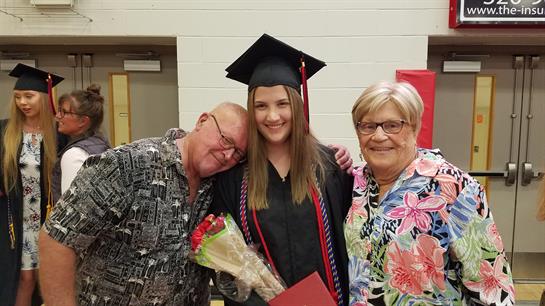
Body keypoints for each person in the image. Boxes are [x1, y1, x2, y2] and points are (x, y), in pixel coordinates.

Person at [38, 102, 248, 306]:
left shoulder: (218, 186)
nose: (228, 155)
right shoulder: (126, 165)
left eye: (237, 152)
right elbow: (56, 240)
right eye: (225, 140)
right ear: (202, 121)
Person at [210, 34, 353, 306]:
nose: (272, 116)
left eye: (282, 104)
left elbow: (349, 243)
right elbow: (226, 261)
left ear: (297, 107)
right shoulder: (232, 178)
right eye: (261, 106)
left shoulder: (329, 167)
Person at [344, 81, 515, 305]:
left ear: (414, 127)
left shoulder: (453, 187)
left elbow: (492, 286)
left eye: (392, 125)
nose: (378, 136)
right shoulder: (354, 185)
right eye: (367, 126)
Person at [0, 63, 64, 306]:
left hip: (49, 218)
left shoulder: (59, 133)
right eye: (18, 97)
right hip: (16, 218)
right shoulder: (5, 131)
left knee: (49, 280)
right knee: (24, 279)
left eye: (29, 96)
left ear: (45, 97)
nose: (23, 102)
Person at [51, 84, 110, 204]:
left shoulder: (74, 154)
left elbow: (71, 208)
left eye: (64, 112)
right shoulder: (101, 142)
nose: (57, 116)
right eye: (59, 111)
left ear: (83, 121)